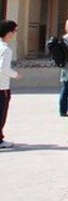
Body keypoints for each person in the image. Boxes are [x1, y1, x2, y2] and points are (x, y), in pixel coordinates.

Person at [0, 20, 20, 150]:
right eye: (14, 31)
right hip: (2, 87)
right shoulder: (6, 49)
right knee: (1, 113)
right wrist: (15, 75)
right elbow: (3, 68)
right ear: (9, 32)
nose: (14, 34)